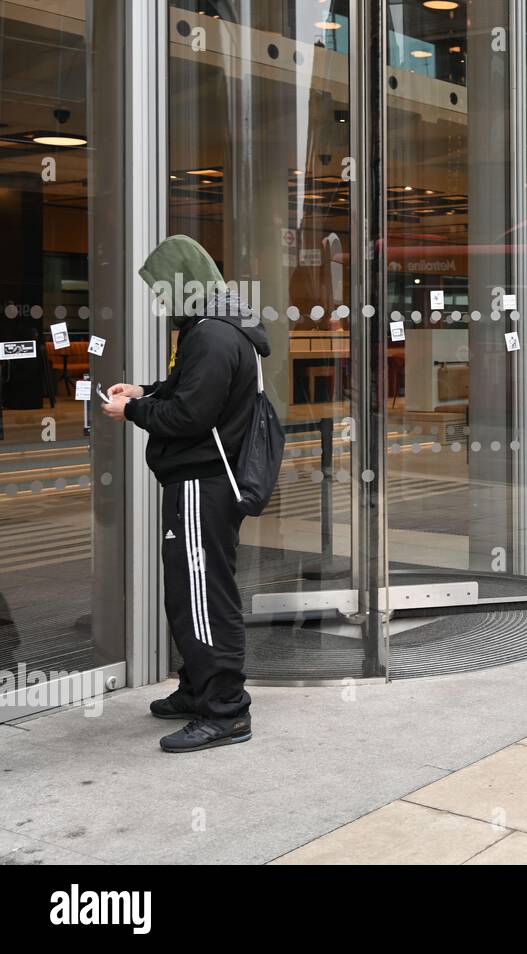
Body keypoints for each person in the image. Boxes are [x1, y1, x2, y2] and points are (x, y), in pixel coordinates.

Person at [100, 235, 269, 752]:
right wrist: (146, 391)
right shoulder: (214, 328)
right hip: (202, 480)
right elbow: (189, 391)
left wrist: (130, 411)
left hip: (204, 481)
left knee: (203, 596)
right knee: (188, 590)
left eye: (162, 290)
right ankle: (198, 688)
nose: (159, 301)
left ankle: (225, 711)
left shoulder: (212, 337)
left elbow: (191, 416)